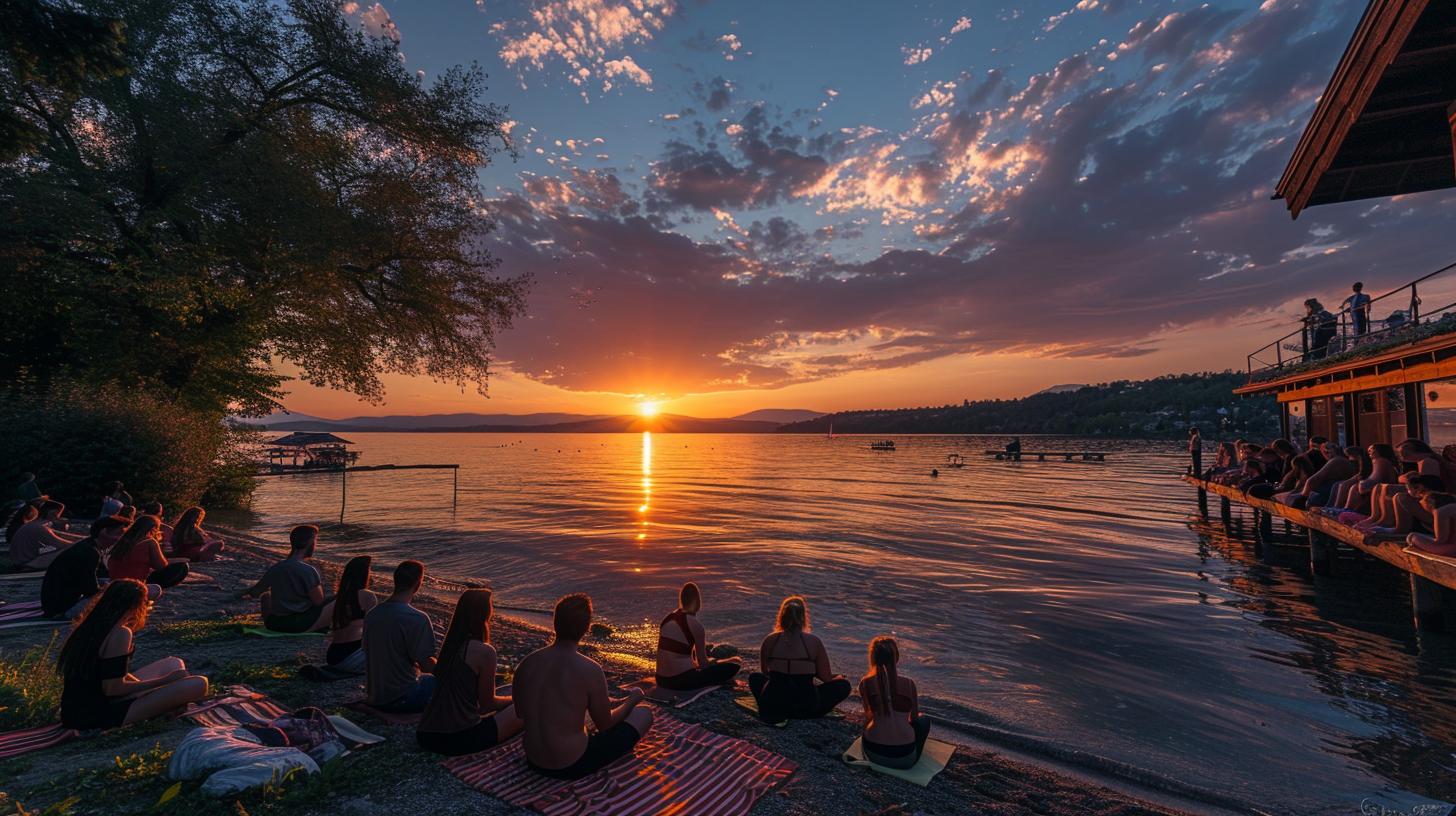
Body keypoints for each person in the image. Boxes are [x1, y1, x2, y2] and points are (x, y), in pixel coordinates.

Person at [515, 593, 652, 779]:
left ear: (555, 622)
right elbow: (605, 725)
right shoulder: (589, 669)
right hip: (572, 763)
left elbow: (521, 713)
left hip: (534, 760)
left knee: (582, 718)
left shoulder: (526, 663)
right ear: (587, 628)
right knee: (644, 714)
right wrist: (632, 700)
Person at [57, 579, 209, 730]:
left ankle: (161, 702)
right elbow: (112, 688)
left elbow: (109, 674)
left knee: (173, 663)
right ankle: (164, 704)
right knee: (199, 684)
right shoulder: (120, 633)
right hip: (97, 716)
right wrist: (164, 681)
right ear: (136, 606)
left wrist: (147, 691)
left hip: (77, 711)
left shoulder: (90, 626)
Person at [417, 589, 523, 756]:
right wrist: (515, 700)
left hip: (425, 734)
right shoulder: (483, 651)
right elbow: (488, 704)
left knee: (508, 693)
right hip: (459, 738)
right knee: (526, 708)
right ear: (486, 613)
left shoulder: (451, 645)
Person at [748, 596, 852, 723]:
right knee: (844, 685)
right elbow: (826, 678)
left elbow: (765, 672)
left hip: (773, 705)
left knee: (754, 677)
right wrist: (839, 677)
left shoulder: (770, 640)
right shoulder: (814, 641)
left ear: (782, 616)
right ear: (803, 617)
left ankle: (770, 704)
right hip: (806, 708)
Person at [42, 515, 160, 619]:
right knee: (145, 591)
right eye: (119, 533)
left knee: (128, 588)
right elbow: (90, 589)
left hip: (58, 604)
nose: (121, 538)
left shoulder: (90, 547)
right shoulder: (90, 552)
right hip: (64, 609)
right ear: (104, 532)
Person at [363, 560, 438, 712]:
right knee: (434, 680)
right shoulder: (417, 618)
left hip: (376, 696)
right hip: (402, 697)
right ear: (417, 585)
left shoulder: (372, 614)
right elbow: (426, 666)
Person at [241, 525, 334, 633]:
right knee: (339, 598)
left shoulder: (276, 568)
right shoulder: (309, 571)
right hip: (298, 625)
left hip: (274, 624)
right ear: (310, 543)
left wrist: (236, 594)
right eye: (315, 541)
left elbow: (255, 592)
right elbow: (319, 603)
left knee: (266, 595)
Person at [858, 637, 930, 770]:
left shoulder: (865, 683)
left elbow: (868, 717)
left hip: (872, 752)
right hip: (904, 757)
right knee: (923, 720)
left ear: (873, 658)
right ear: (896, 657)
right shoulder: (909, 684)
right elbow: (913, 719)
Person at [654, 582, 741, 690]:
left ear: (682, 599)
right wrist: (719, 661)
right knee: (735, 665)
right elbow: (703, 664)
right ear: (698, 602)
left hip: (660, 679)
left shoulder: (667, 618)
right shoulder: (696, 625)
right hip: (681, 680)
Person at [324, 556, 378, 674]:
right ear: (364, 573)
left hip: (333, 655)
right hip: (350, 656)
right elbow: (373, 630)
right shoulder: (367, 595)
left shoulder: (339, 597)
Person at [106, 515, 189, 589]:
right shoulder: (149, 541)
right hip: (133, 585)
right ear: (153, 529)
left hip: (115, 583)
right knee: (182, 567)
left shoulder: (122, 540)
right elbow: (161, 566)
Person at [8, 500, 79, 570]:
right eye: (54, 514)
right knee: (68, 551)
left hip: (22, 560)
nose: (57, 517)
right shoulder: (40, 527)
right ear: (47, 513)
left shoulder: (34, 524)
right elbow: (59, 544)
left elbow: (59, 537)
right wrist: (80, 542)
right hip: (27, 562)